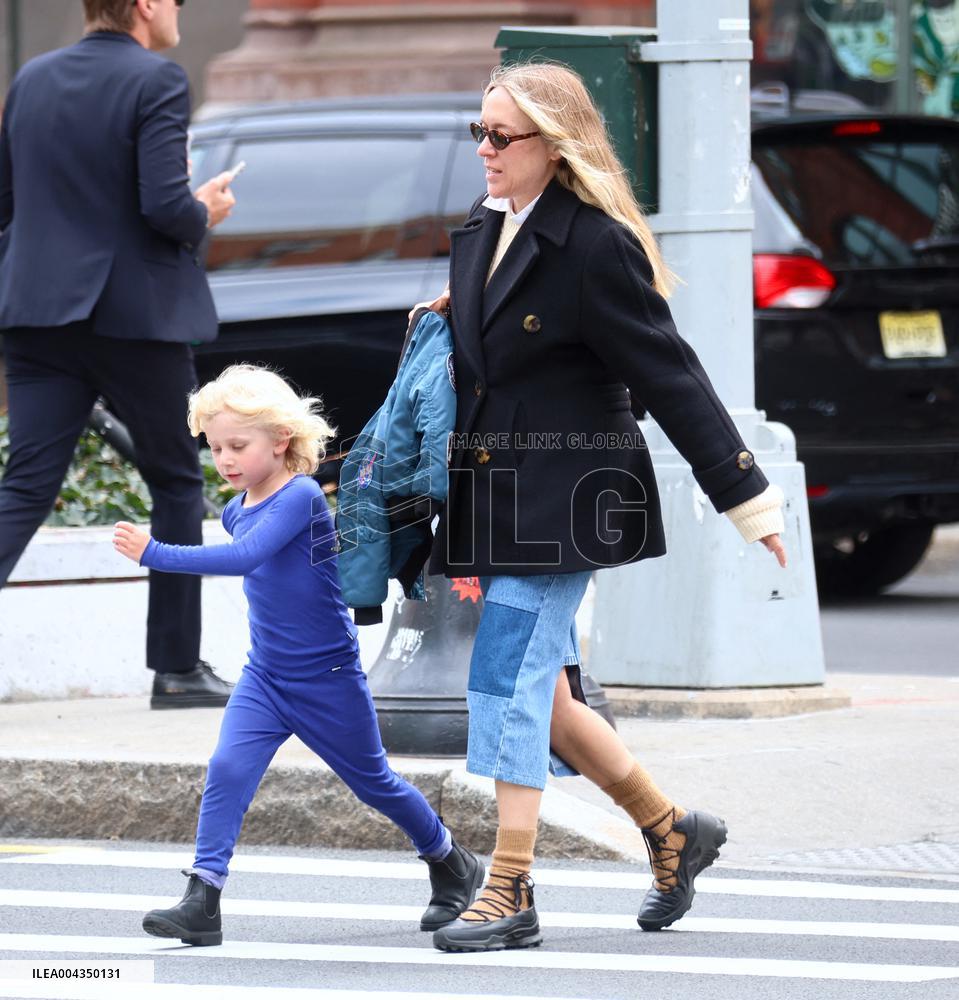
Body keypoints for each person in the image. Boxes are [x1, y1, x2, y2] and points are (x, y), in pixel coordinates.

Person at [410, 62, 789, 953]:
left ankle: (509, 886)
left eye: (501, 136)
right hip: (494, 494)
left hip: (567, 498)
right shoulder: (482, 231)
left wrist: (747, 497)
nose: (484, 150)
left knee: (506, 679)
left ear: (555, 144)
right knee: (542, 695)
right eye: (478, 131)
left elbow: (670, 374)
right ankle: (670, 830)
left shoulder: (594, 246)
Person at [113, 365, 483, 946]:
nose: (224, 459)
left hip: (326, 678)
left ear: (281, 439)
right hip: (265, 676)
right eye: (215, 447)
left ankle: (451, 860)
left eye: (237, 445)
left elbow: (244, 559)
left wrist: (153, 551)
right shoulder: (238, 507)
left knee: (375, 783)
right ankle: (203, 897)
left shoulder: (301, 497)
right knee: (228, 770)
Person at [0, 0, 236, 708]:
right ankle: (177, 670)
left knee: (25, 486)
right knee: (175, 482)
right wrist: (205, 212)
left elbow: (7, 204)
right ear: (144, 5)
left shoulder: (32, 78)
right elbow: (164, 206)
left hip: (36, 312)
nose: (179, 9)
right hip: (132, 318)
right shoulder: (157, 78)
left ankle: (179, 668)